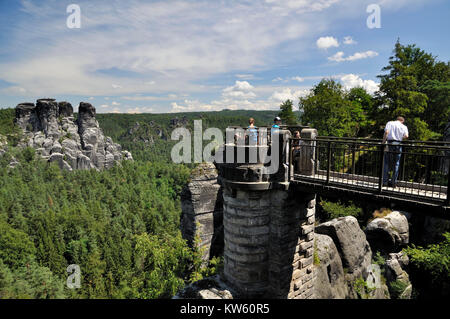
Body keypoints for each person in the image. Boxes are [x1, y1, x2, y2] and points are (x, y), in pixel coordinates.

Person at [382, 116, 409, 188]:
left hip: (390, 144)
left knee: (387, 163)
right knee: (396, 164)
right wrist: (400, 137)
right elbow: (406, 136)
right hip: (398, 144)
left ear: (397, 119)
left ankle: (385, 182)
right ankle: (393, 183)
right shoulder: (404, 126)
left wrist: (383, 142)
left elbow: (386, 132)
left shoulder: (390, 123)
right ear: (402, 121)